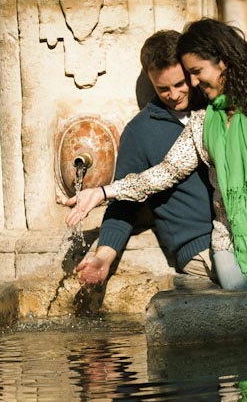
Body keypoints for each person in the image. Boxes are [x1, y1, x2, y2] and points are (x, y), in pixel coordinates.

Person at [64, 18, 247, 291]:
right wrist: (101, 193)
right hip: (233, 238)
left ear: (223, 61)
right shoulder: (203, 119)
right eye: (166, 87)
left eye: (194, 73)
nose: (191, 83)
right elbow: (167, 171)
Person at [73, 30, 215, 285]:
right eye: (163, 89)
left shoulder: (214, 107)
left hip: (239, 233)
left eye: (180, 84)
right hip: (199, 248)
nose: (174, 95)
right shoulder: (139, 132)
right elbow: (124, 202)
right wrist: (103, 257)